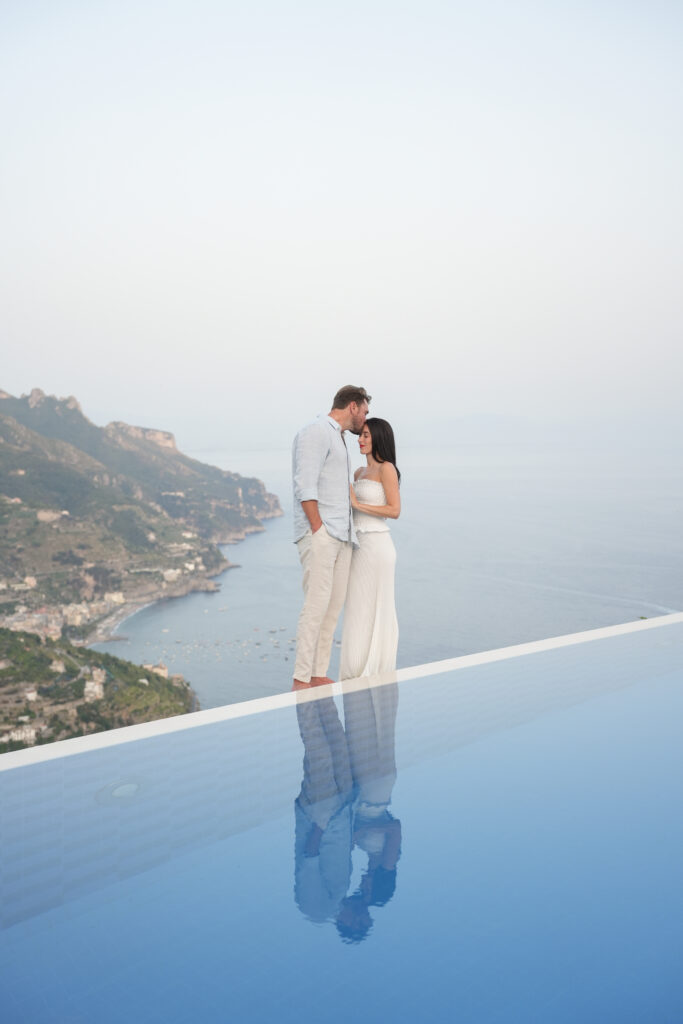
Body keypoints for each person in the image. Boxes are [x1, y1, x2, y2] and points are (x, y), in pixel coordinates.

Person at [292, 385, 371, 689]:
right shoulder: (316, 431)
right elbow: (305, 485)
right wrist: (318, 529)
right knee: (316, 606)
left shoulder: (337, 438)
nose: (365, 420)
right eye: (364, 412)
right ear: (353, 406)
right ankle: (301, 678)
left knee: (332, 605)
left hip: (341, 535)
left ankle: (317, 672)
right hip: (323, 534)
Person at [339, 417, 400, 680]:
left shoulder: (387, 469)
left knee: (377, 606)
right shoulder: (357, 474)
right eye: (360, 435)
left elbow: (394, 511)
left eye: (365, 435)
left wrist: (357, 503)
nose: (360, 440)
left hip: (378, 547)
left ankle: (375, 672)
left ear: (378, 437)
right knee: (356, 607)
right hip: (358, 546)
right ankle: (354, 670)